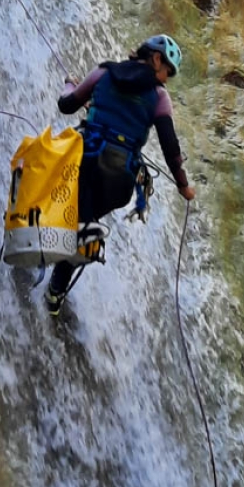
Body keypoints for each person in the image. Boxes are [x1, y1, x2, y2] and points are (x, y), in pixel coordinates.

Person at [44, 35, 195, 313]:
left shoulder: (104, 72)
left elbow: (66, 105)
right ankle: (55, 291)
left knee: (70, 209)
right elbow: (170, 146)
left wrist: (70, 84)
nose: (166, 79)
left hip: (85, 164)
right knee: (83, 223)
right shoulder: (160, 97)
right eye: (167, 72)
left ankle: (37, 245)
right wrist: (183, 186)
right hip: (120, 181)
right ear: (157, 59)